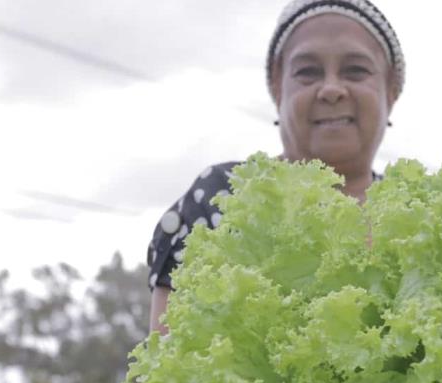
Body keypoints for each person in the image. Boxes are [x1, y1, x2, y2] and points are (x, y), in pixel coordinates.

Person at [146, 0, 406, 341]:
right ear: (277, 87)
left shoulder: (421, 215)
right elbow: (173, 370)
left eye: (355, 70)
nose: (331, 89)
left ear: (391, 88)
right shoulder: (224, 198)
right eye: (307, 72)